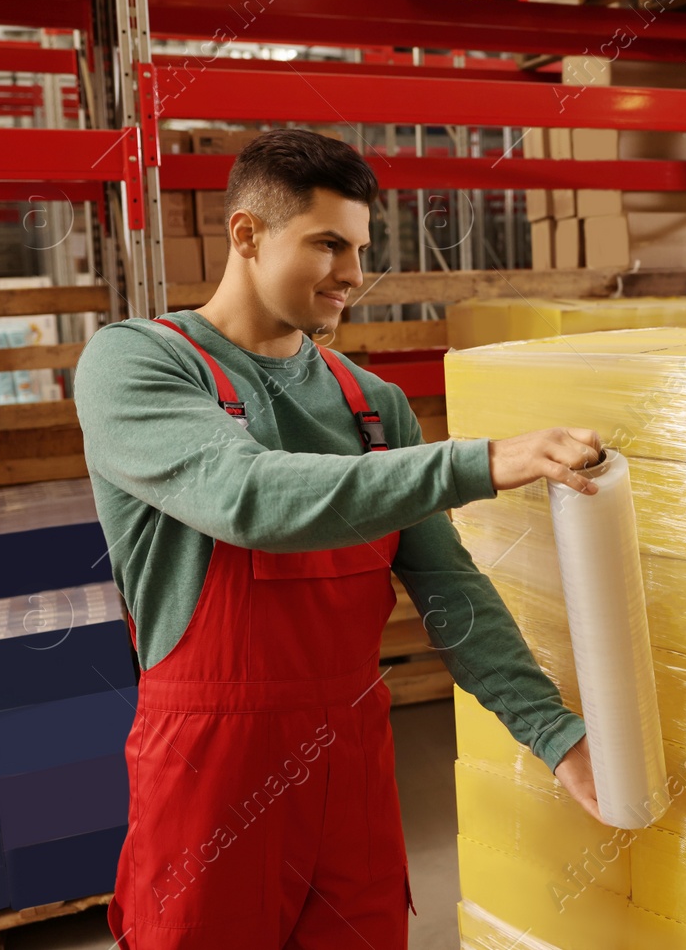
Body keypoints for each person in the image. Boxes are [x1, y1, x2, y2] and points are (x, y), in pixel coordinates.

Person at [74, 128, 600, 949]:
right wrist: (481, 461)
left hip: (350, 768)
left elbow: (450, 590)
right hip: (211, 778)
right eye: (327, 244)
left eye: (359, 246)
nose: (353, 273)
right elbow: (248, 495)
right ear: (245, 234)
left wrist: (555, 734)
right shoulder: (137, 365)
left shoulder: (373, 403)